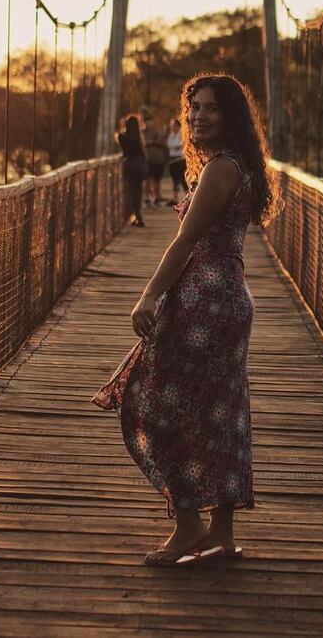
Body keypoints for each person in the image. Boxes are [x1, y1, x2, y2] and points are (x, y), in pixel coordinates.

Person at [91, 73, 282, 566]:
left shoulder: (220, 169)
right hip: (228, 299)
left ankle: (189, 522)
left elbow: (185, 241)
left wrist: (148, 296)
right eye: (194, 107)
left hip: (203, 300)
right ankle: (220, 532)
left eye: (211, 109)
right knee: (221, 412)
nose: (198, 116)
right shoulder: (240, 165)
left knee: (151, 401)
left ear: (231, 116)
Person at [116, 115, 148, 227]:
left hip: (129, 165)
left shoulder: (122, 137)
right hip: (140, 165)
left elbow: (122, 145)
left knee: (132, 192)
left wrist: (122, 126)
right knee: (139, 192)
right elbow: (143, 153)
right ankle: (137, 216)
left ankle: (138, 216)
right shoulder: (139, 137)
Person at [142, 114, 168, 206]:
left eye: (150, 121)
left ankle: (157, 198)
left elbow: (162, 143)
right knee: (147, 180)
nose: (149, 123)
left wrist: (155, 142)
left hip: (158, 159)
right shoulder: (142, 132)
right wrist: (153, 142)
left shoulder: (156, 132)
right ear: (144, 122)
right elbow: (144, 143)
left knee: (157, 181)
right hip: (147, 160)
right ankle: (146, 198)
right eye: (147, 121)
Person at [166, 117, 188, 205]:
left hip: (179, 160)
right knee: (175, 179)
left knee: (183, 179)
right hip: (172, 160)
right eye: (172, 126)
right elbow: (169, 145)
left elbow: (179, 145)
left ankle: (188, 197)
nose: (173, 127)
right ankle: (175, 199)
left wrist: (175, 146)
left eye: (175, 126)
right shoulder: (171, 136)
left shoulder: (181, 135)